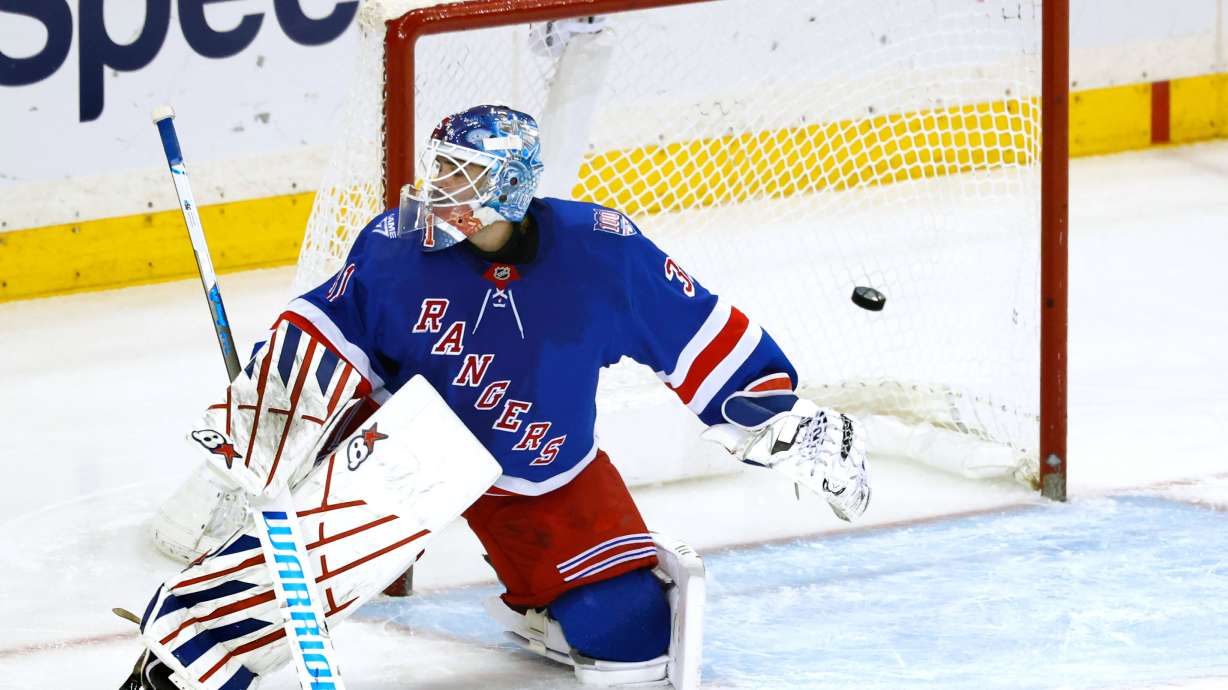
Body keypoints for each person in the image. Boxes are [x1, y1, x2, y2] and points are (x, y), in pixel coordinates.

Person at [118, 104, 871, 690]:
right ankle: (180, 660)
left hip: (539, 468)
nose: (439, 189)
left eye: (462, 177)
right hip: (410, 450)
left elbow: (698, 336)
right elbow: (327, 327)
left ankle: (552, 604)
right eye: (439, 169)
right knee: (293, 567)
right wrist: (276, 410)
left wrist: (783, 416)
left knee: (632, 636)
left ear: (511, 186)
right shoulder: (396, 241)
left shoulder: (601, 250)